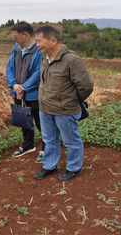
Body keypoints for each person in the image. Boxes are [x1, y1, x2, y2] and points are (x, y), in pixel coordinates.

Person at [33, 25, 93, 182]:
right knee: (49, 139)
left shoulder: (71, 60)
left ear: (53, 40)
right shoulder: (45, 58)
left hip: (65, 110)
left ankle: (73, 168)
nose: (37, 45)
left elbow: (86, 86)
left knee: (70, 141)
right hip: (45, 108)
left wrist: (71, 100)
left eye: (39, 41)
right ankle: (49, 165)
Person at [6, 21, 45, 161]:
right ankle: (28, 144)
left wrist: (24, 87)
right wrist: (14, 84)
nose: (14, 39)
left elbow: (38, 72)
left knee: (41, 121)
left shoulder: (39, 50)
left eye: (16, 36)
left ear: (25, 35)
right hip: (17, 92)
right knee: (24, 119)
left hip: (33, 94)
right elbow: (9, 67)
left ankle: (47, 148)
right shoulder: (16, 48)